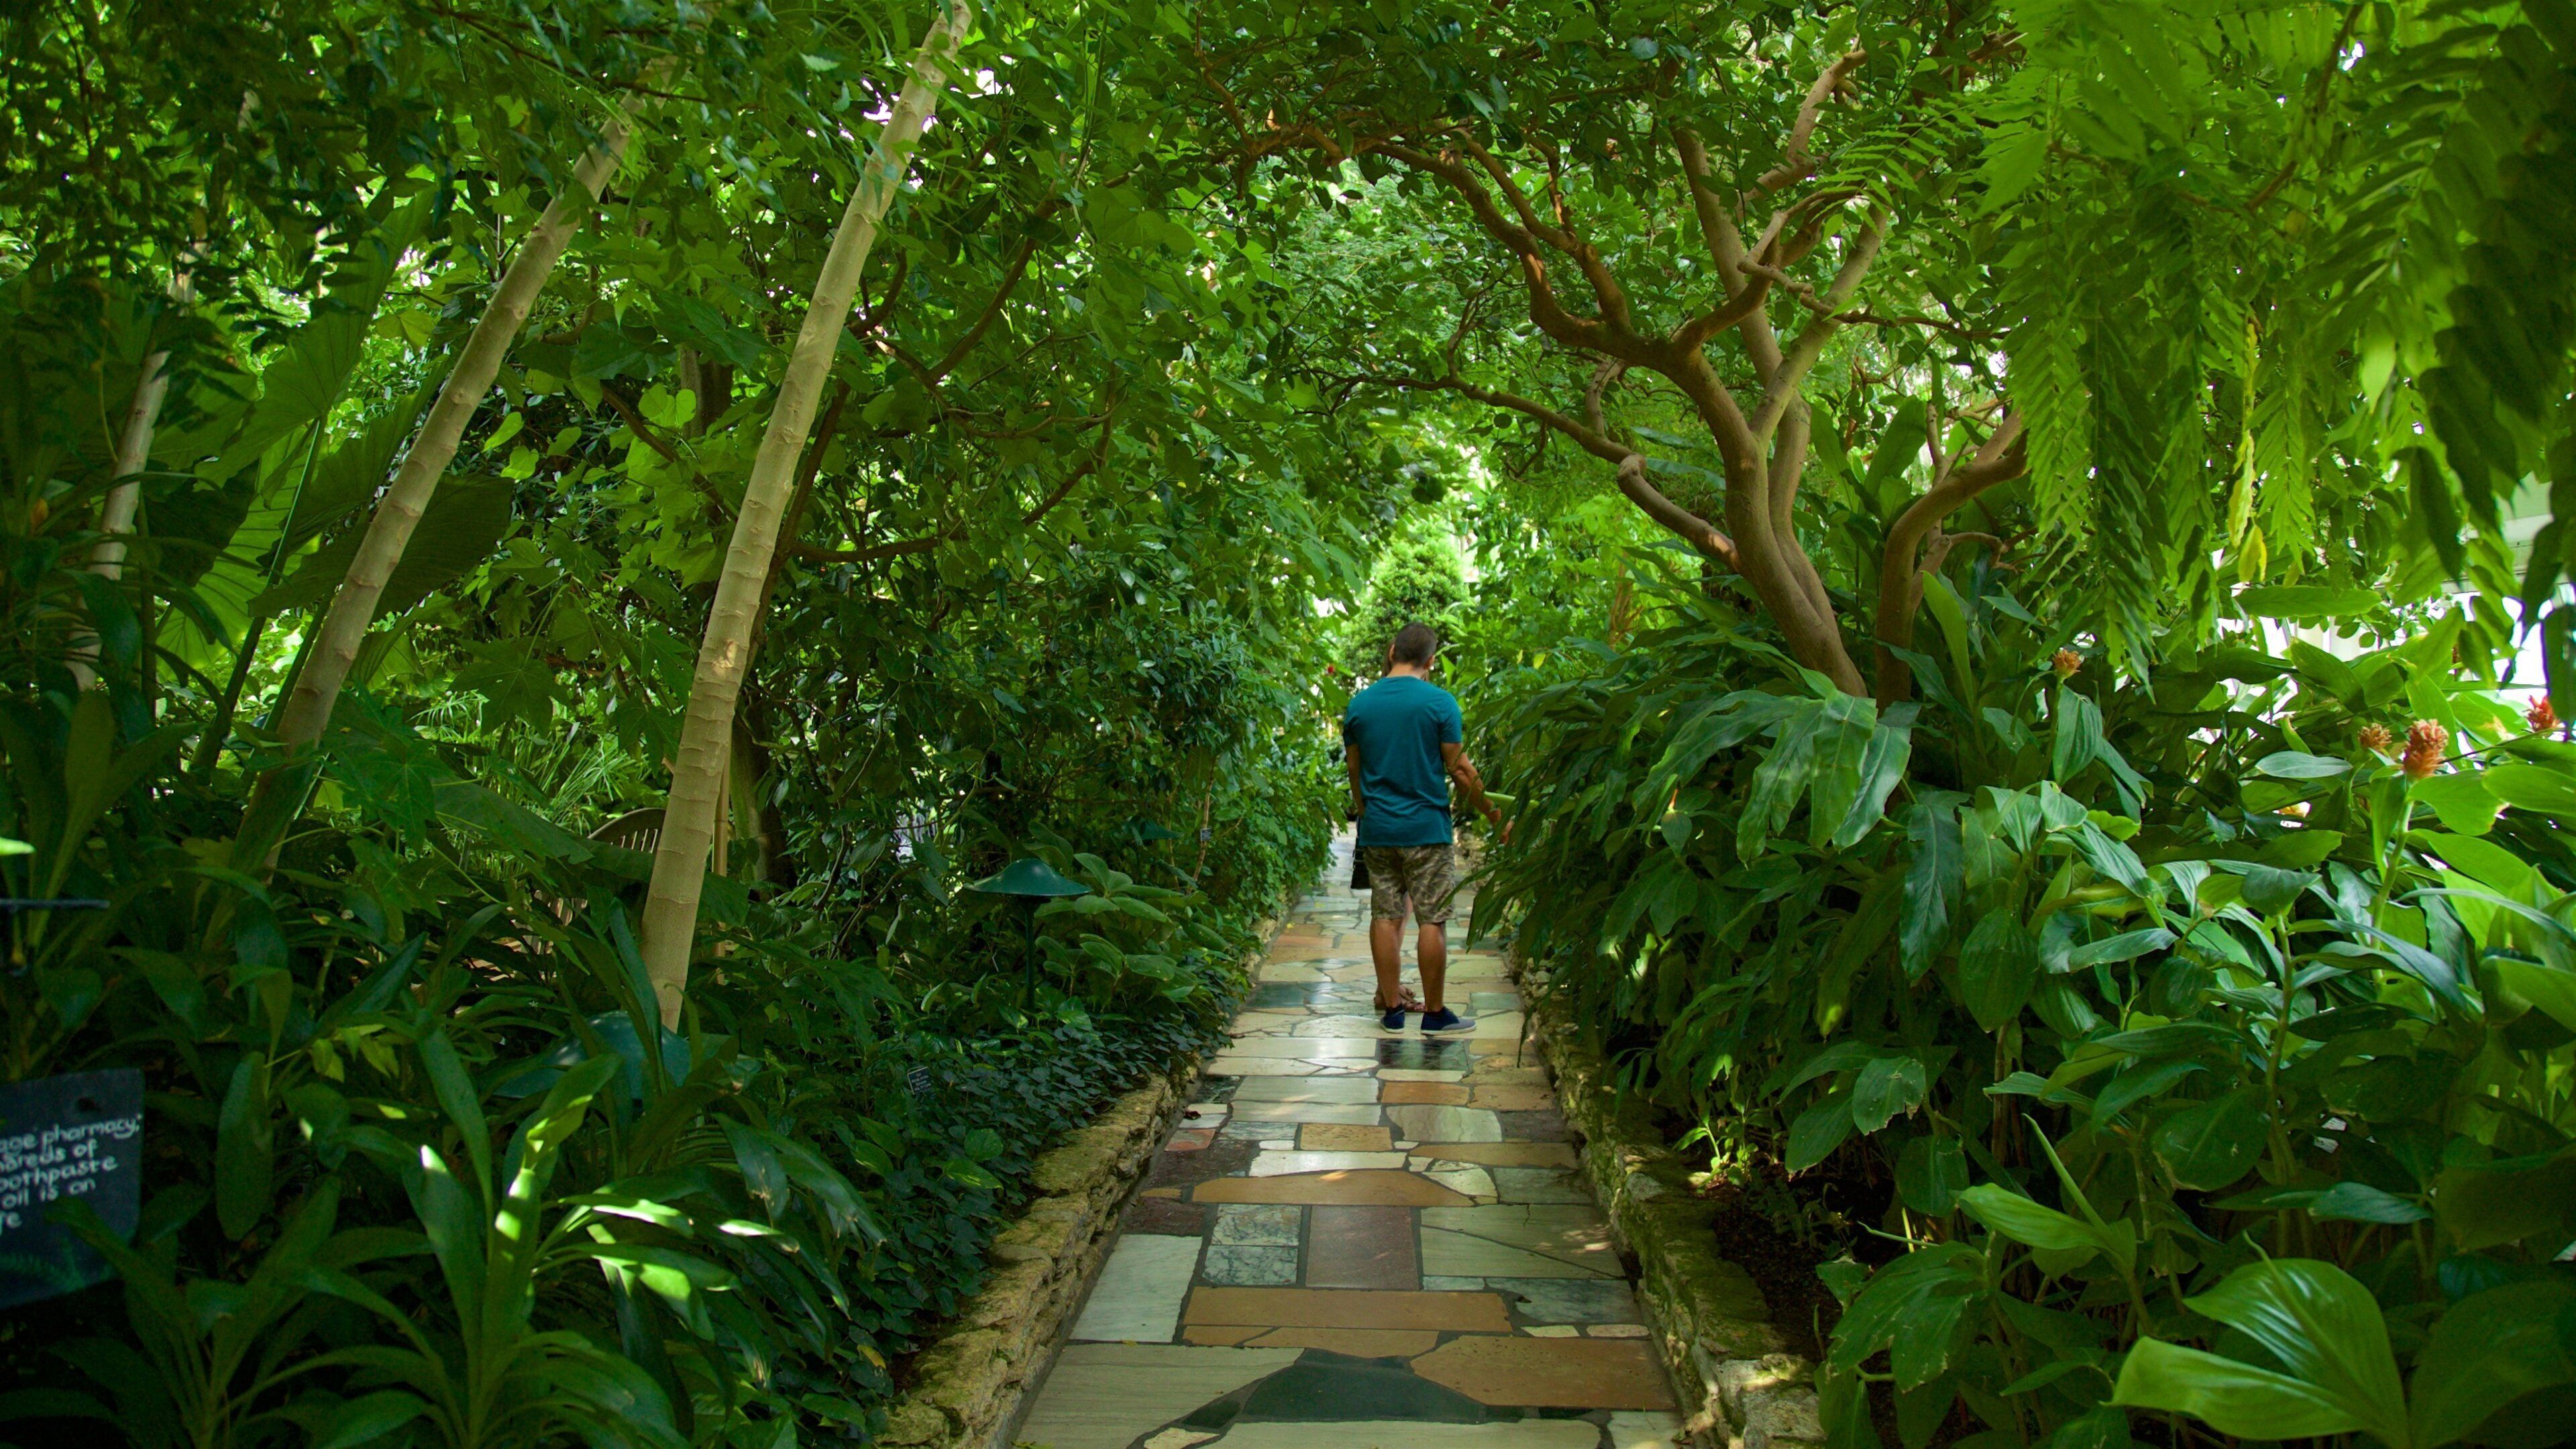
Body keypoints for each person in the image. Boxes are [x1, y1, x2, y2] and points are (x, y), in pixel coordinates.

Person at [1342, 621, 1503, 1034]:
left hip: (1379, 831)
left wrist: (1367, 812)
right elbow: (1461, 772)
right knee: (1432, 920)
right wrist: (1495, 816)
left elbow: (1355, 770)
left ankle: (1393, 1010)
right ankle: (1434, 1014)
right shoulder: (1440, 703)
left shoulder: (1360, 705)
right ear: (1431, 661)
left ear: (1393, 650)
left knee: (1385, 914)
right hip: (1427, 831)